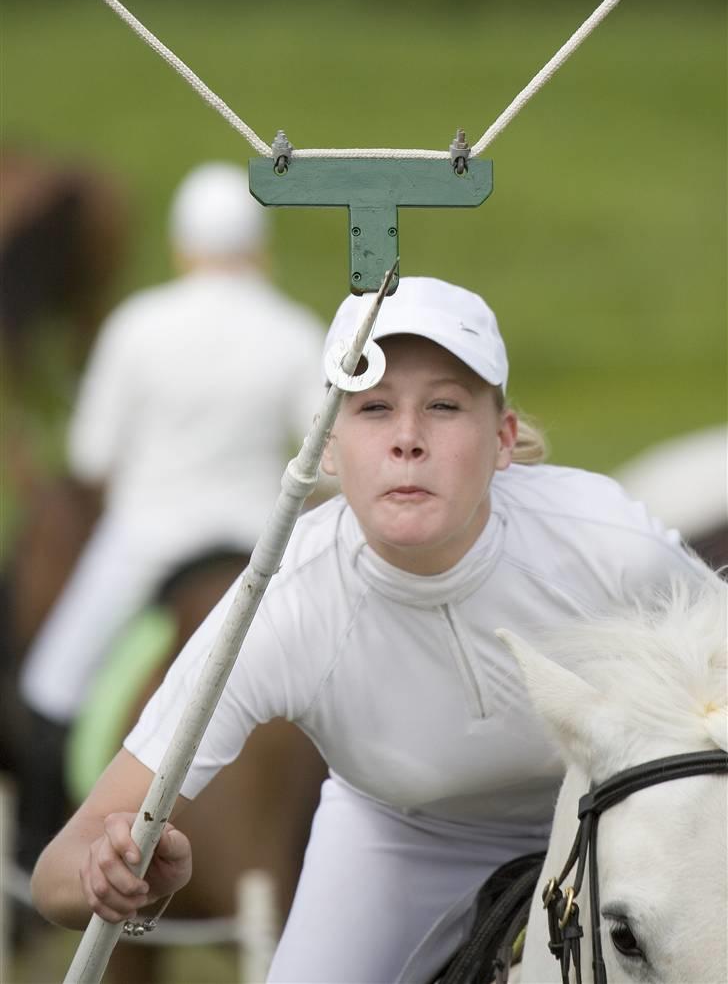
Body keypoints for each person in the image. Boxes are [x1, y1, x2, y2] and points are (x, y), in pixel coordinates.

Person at [30, 276, 701, 982]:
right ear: (326, 445)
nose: (408, 439)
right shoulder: (281, 598)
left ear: (502, 438)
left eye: (443, 406)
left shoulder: (606, 539)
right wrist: (106, 872)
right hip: (400, 838)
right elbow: (56, 871)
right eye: (374, 408)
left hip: (612, 815)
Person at [16, 161, 328, 869]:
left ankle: (37, 850)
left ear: (182, 245)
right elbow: (321, 448)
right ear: (259, 244)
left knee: (51, 683)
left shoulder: (138, 324)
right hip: (258, 545)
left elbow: (93, 455)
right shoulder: (291, 330)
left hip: (146, 539)